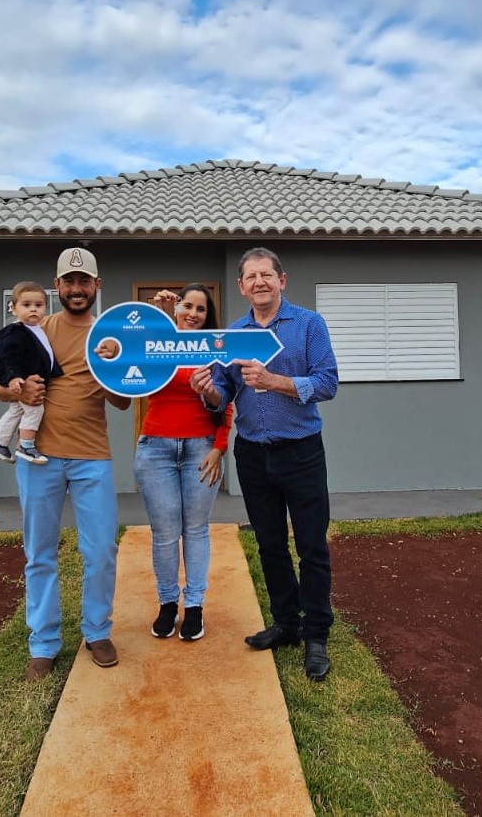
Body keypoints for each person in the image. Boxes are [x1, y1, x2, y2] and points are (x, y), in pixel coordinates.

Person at [190, 247, 339, 681]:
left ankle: (316, 634)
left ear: (281, 280)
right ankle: (286, 624)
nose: (259, 282)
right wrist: (207, 390)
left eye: (266, 275)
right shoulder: (233, 334)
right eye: (250, 276)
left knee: (311, 546)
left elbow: (329, 382)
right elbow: (222, 394)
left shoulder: (309, 325)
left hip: (302, 452)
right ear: (241, 286)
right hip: (253, 456)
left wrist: (275, 381)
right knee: (270, 545)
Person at [0, 247, 131, 681]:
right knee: (39, 552)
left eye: (83, 281)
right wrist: (20, 393)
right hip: (39, 459)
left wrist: (106, 369)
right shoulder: (36, 329)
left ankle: (97, 631)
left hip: (92, 457)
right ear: (57, 287)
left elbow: (124, 401)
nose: (76, 289)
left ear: (96, 286)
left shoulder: (108, 336)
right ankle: (44, 642)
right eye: (68, 282)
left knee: (102, 550)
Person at [135, 285, 234, 642]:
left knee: (195, 530)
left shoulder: (215, 349)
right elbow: (136, 373)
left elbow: (227, 402)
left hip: (200, 449)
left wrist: (219, 447)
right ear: (177, 309)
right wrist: (157, 321)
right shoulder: (159, 339)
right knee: (164, 534)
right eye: (187, 306)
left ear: (209, 317)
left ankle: (194, 607)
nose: (193, 313)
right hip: (155, 449)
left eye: (201, 309)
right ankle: (167, 605)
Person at [0, 281, 62, 465]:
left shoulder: (36, 329)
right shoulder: (15, 332)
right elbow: (8, 355)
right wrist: (14, 376)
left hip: (27, 379)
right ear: (14, 308)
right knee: (35, 409)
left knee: (16, 410)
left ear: (45, 307)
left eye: (38, 305)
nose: (33, 309)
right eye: (26, 305)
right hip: (21, 380)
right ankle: (26, 446)